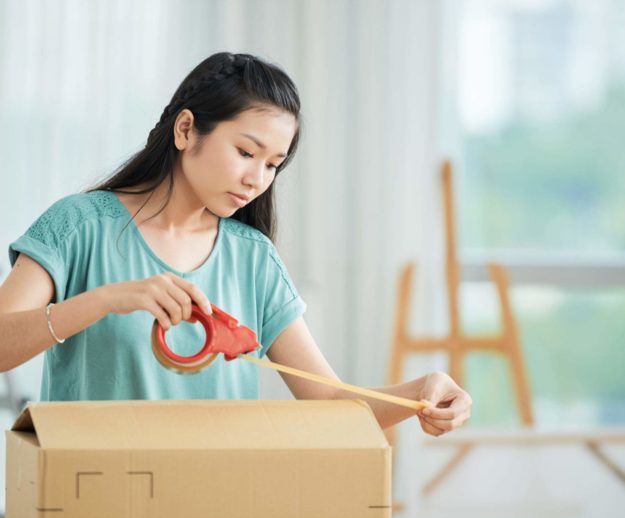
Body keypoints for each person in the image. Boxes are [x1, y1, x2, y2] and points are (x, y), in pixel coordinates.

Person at [0, 52, 471, 436]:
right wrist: (106, 299)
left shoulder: (253, 259)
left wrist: (419, 393)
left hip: (217, 503)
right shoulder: (78, 225)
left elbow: (327, 401)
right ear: (186, 130)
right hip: (95, 504)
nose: (257, 179)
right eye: (246, 152)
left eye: (273, 165)